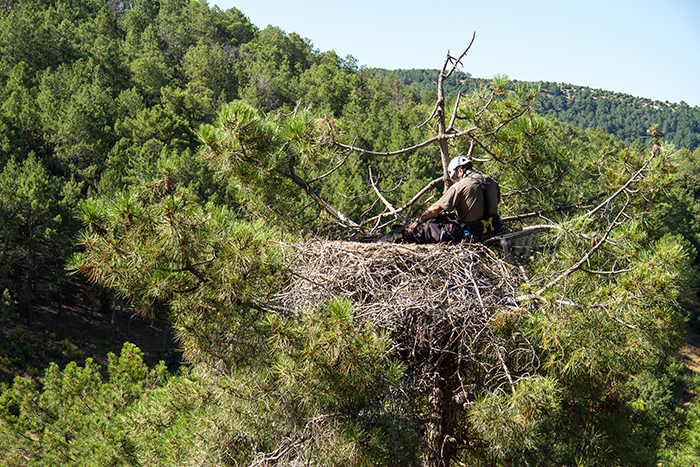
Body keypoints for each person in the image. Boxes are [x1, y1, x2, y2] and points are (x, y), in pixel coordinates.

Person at [406, 155, 501, 243]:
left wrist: (417, 223)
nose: (457, 181)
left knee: (435, 226)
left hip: (473, 235)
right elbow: (495, 203)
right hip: (494, 231)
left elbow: (436, 208)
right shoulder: (492, 182)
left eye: (455, 178)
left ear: (460, 171)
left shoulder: (460, 186)